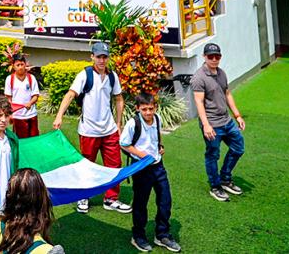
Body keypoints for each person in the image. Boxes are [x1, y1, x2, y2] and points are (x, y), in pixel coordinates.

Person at [53, 41, 130, 215]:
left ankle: (111, 198)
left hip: (109, 129)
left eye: (105, 57)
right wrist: (59, 116)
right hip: (88, 130)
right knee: (86, 165)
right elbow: (71, 94)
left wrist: (118, 124)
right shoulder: (84, 75)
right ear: (92, 57)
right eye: (99, 57)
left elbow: (118, 99)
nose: (102, 60)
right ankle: (83, 197)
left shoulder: (112, 77)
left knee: (114, 164)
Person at [120, 93, 181, 253]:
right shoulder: (133, 123)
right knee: (141, 203)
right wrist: (143, 156)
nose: (148, 112)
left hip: (158, 166)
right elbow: (124, 144)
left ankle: (162, 234)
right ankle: (138, 236)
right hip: (141, 168)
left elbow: (156, 135)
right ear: (138, 108)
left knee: (165, 200)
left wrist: (160, 146)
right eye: (144, 109)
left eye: (151, 109)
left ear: (155, 107)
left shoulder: (158, 119)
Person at [192, 43, 246, 202]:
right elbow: (199, 103)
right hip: (212, 125)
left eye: (217, 56)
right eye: (211, 56)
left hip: (227, 121)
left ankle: (225, 178)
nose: (214, 59)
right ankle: (215, 186)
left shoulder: (221, 73)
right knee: (212, 155)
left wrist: (237, 116)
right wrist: (206, 125)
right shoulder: (199, 78)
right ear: (204, 57)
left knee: (238, 148)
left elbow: (227, 94)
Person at [4, 53, 40, 138]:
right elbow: (8, 98)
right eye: (18, 65)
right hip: (18, 116)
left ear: (25, 64)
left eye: (22, 64)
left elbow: (35, 95)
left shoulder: (31, 78)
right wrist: (10, 114)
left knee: (34, 140)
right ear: (13, 66)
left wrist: (30, 103)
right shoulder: (10, 79)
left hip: (31, 115)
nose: (20, 67)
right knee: (20, 141)